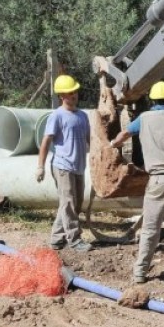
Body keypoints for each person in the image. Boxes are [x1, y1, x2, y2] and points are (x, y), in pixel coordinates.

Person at [110, 81, 164, 284]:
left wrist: (113, 144)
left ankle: (140, 273)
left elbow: (125, 134)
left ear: (152, 101)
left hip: (159, 179)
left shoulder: (145, 118)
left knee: (151, 228)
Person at [36, 74, 93, 252]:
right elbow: (46, 141)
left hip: (79, 166)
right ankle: (74, 240)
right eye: (70, 93)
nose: (74, 95)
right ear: (61, 96)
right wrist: (40, 166)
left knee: (75, 203)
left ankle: (56, 239)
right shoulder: (57, 116)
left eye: (75, 91)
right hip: (62, 166)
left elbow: (90, 140)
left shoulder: (83, 116)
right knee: (68, 203)